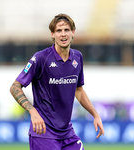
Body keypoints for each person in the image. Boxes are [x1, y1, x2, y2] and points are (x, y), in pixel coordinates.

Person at [10, 13, 104, 150]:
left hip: (67, 133)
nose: (63, 34)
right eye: (58, 30)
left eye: (66, 30)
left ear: (73, 33)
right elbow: (15, 87)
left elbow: (79, 90)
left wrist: (95, 114)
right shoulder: (41, 58)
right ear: (52, 34)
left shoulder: (78, 57)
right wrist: (33, 112)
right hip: (43, 133)